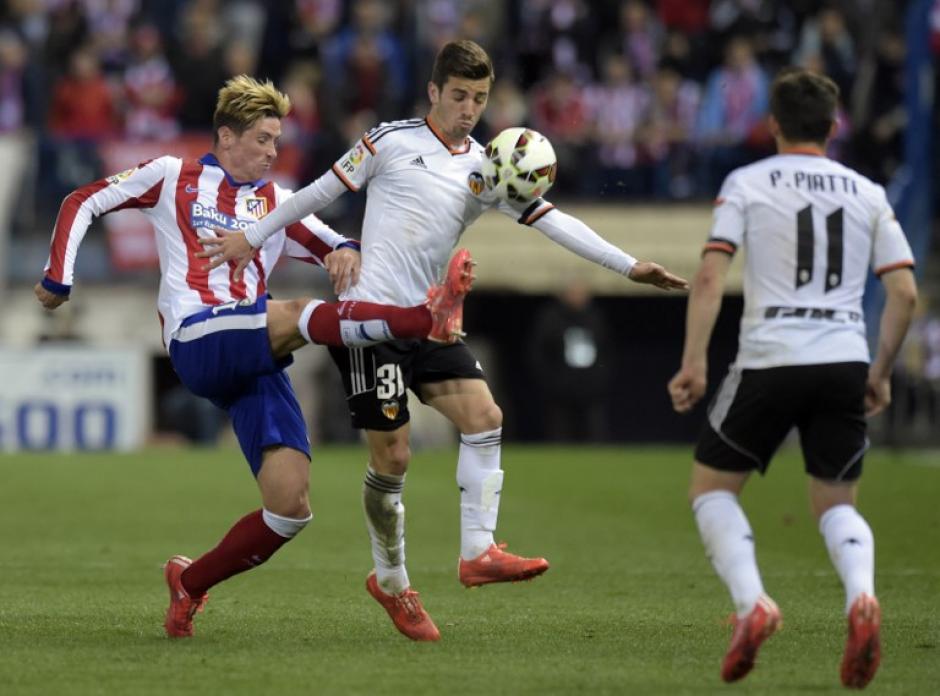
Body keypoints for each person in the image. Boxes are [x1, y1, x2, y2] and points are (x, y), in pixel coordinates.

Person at [197, 40, 688, 642]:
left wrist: (630, 266)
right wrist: (253, 234)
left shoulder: (488, 166)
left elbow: (553, 219)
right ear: (434, 91)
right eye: (458, 95)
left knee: (485, 416)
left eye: (479, 98)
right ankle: (392, 581)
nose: (468, 108)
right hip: (368, 322)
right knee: (394, 459)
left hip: (430, 321)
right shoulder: (390, 140)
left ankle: (478, 552)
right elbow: (318, 193)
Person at [34, 74, 472, 639]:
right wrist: (58, 277)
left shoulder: (279, 202)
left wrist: (345, 252)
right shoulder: (173, 176)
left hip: (255, 356)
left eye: (277, 140)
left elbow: (333, 240)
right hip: (198, 339)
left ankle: (189, 583)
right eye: (264, 139)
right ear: (226, 135)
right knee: (294, 313)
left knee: (290, 507)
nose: (273, 151)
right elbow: (84, 198)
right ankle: (426, 319)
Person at [667, 68, 917, 688]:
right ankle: (861, 596)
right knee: (836, 503)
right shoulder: (868, 191)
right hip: (843, 357)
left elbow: (709, 276)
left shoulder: (747, 183)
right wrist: (879, 371)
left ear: (772, 124)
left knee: (712, 491)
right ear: (834, 127)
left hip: (771, 355)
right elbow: (906, 293)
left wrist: (694, 360)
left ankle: (753, 605)